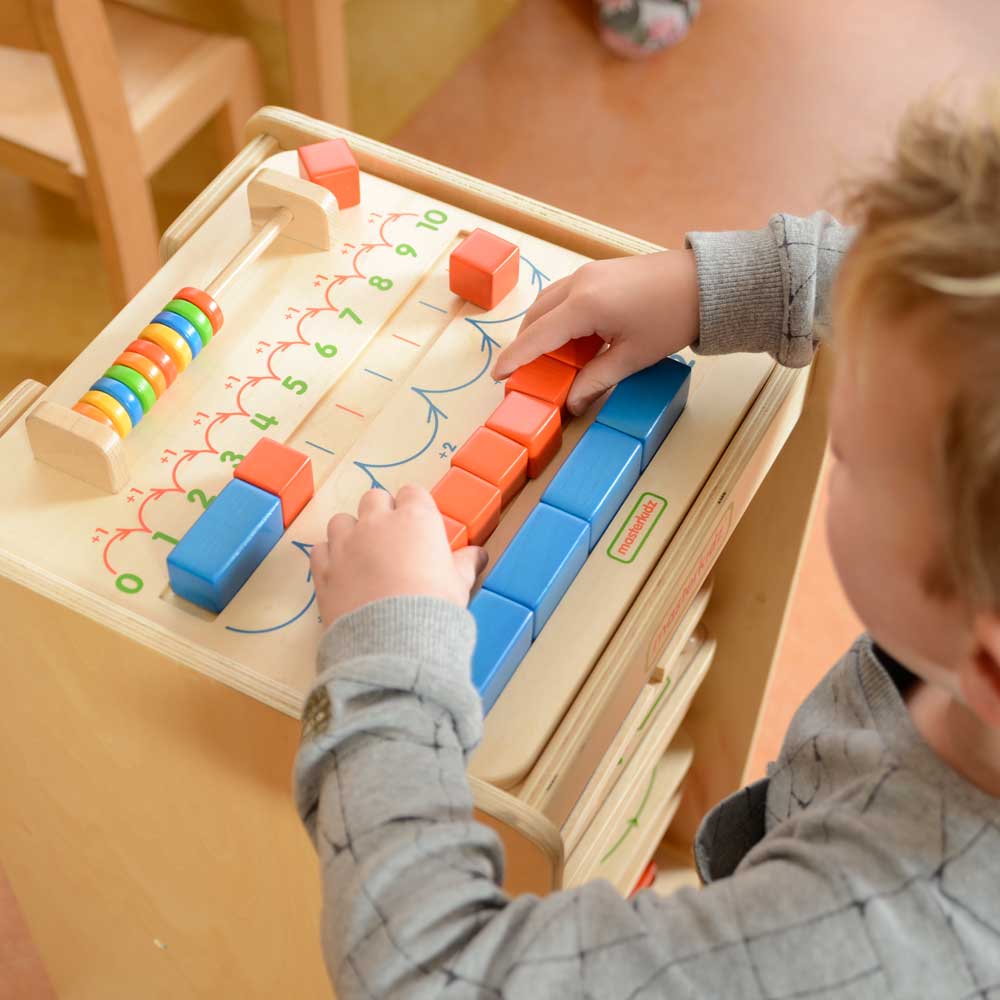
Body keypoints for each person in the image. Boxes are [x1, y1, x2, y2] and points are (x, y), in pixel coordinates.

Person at [295, 90, 1000, 998]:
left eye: (850, 453)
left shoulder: (872, 940)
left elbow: (432, 972)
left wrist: (387, 653)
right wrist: (723, 286)